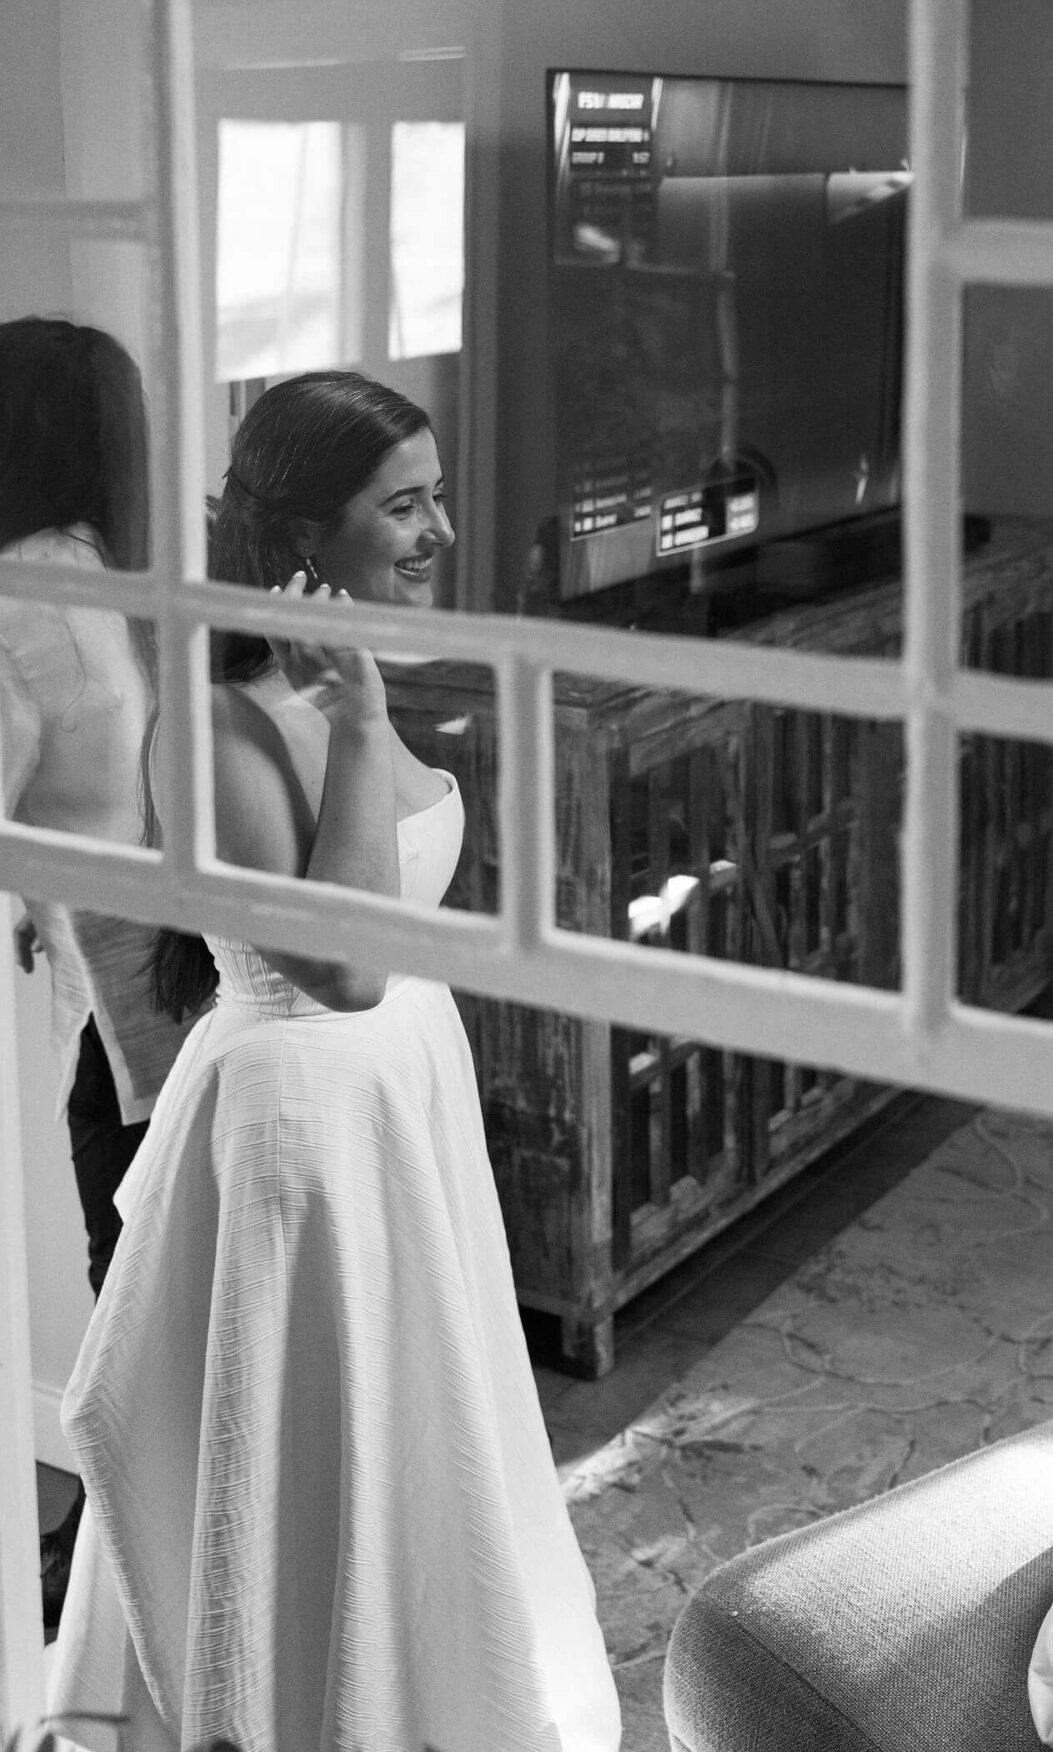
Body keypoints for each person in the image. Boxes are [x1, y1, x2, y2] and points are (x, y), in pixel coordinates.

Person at [49, 368, 621, 1752]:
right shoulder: (225, 718)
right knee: (318, 1458)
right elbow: (348, 965)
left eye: (436, 501)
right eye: (405, 506)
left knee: (419, 1439)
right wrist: (361, 723)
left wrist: (360, 704)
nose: (436, 533)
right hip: (300, 1126)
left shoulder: (338, 672)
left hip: (397, 1107)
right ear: (308, 532)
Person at [0, 316, 188, 1624]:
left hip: (122, 1030)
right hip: (192, 994)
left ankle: (131, 1618)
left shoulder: (16, 594)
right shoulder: (134, 572)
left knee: (131, 1332)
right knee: (180, 1310)